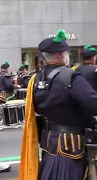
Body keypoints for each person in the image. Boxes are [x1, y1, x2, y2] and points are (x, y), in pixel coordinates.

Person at [19, 29, 97, 180]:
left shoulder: (35, 79)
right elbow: (93, 104)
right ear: (60, 55)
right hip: (72, 149)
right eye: (67, 52)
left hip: (50, 145)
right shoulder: (70, 76)